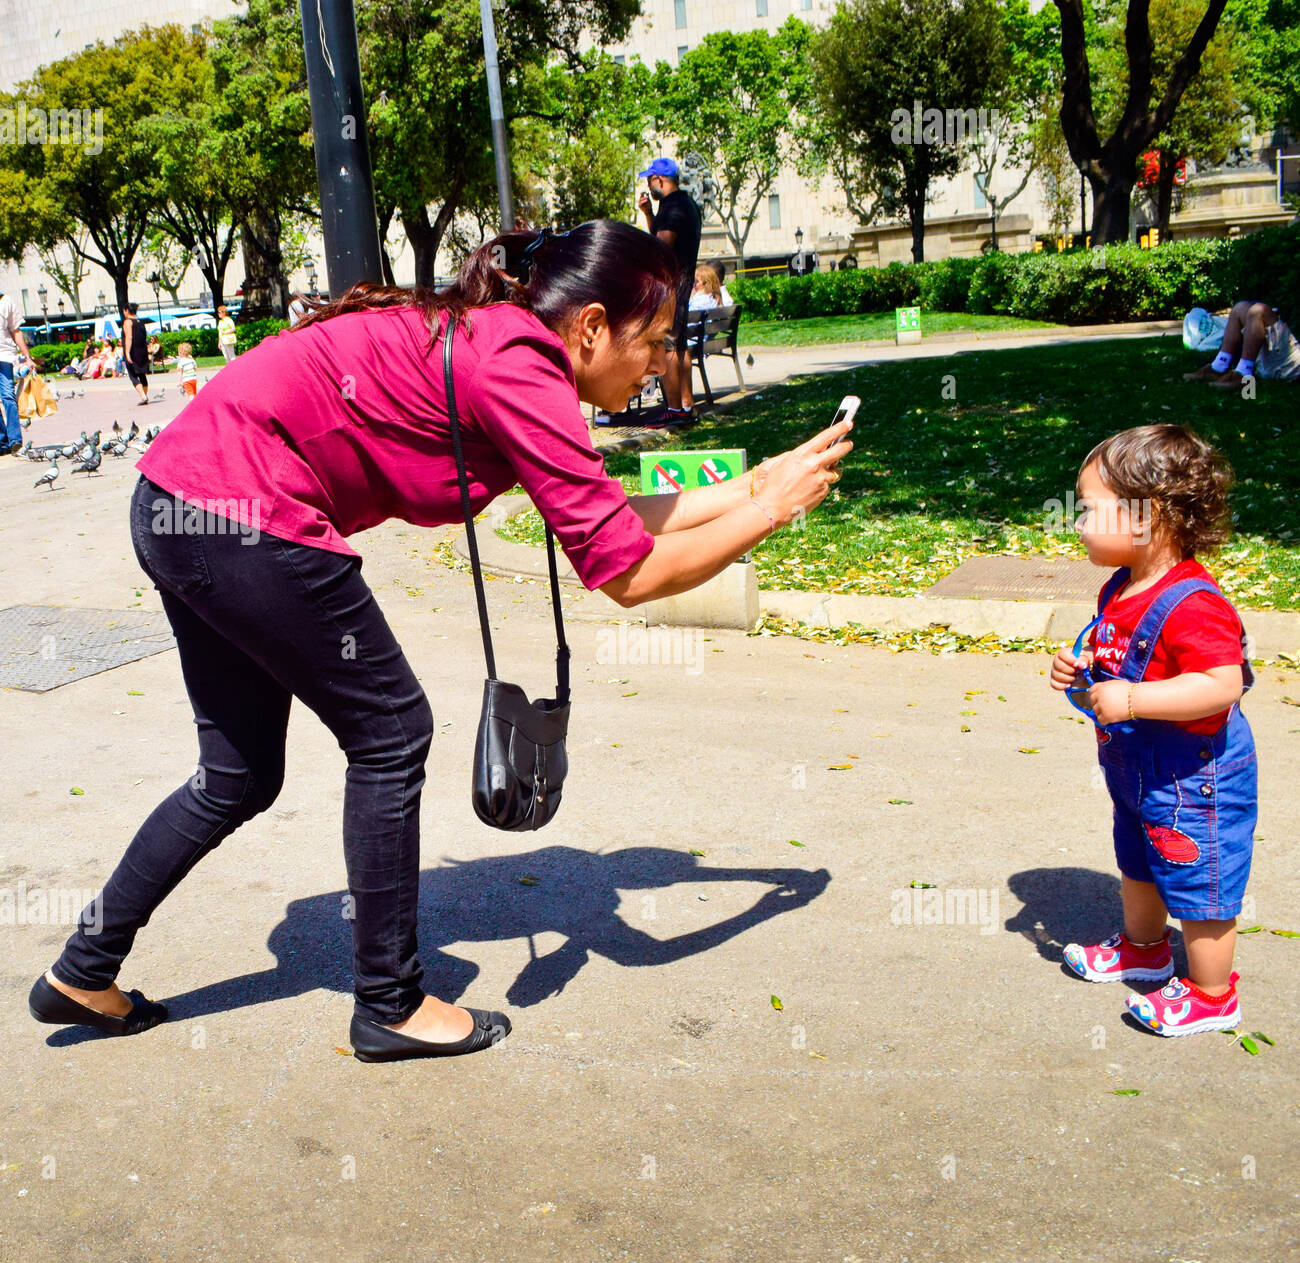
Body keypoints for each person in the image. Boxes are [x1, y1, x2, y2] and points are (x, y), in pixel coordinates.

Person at [27, 218, 852, 1063]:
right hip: (246, 514)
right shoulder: (520, 363)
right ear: (593, 327)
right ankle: (388, 1003)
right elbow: (628, 573)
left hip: (181, 504)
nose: (655, 364)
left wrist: (756, 483)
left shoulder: (507, 349)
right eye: (652, 342)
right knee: (390, 733)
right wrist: (771, 512)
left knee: (237, 776)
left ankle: (84, 968)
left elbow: (607, 521)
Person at [1050, 424, 1256, 1036]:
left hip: (1196, 777)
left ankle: (1212, 994)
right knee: (1137, 859)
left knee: (1201, 881)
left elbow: (1223, 682)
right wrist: (1079, 664)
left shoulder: (1193, 602)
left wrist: (1135, 698)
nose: (1077, 522)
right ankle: (1143, 949)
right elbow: (1112, 651)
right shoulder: (1122, 587)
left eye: (1089, 509)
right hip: (1137, 772)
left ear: (1148, 517)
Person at [637, 156, 702, 426]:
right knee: (679, 345)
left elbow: (662, 246)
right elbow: (664, 234)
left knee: (669, 346)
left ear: (658, 180)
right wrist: (649, 214)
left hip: (671, 287)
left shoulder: (673, 208)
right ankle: (686, 404)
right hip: (683, 284)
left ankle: (674, 409)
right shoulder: (686, 204)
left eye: (649, 180)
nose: (649, 186)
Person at [1183, 298, 1300, 386]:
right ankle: (1218, 367)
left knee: (1259, 311)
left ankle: (1244, 374)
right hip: (1276, 359)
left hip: (1291, 364)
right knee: (1240, 308)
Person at [0, 289, 38, 455]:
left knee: (8, 396)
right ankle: (2, 441)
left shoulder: (6, 301)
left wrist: (27, 357)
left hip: (5, 355)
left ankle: (15, 439)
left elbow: (16, 331)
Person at [121, 302, 150, 404]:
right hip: (142, 350)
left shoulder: (128, 322)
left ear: (126, 310)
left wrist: (127, 353)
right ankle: (145, 395)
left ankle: (143, 396)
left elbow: (129, 337)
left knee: (132, 375)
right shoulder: (140, 321)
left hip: (133, 351)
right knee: (142, 374)